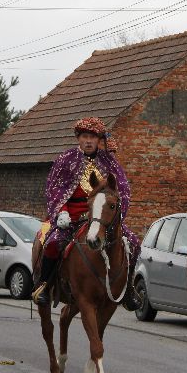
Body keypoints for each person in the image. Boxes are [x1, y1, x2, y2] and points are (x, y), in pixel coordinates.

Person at [33, 117, 142, 310]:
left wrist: (116, 218)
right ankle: (44, 285)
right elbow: (54, 189)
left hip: (101, 220)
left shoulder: (110, 162)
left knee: (134, 243)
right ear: (78, 138)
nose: (89, 141)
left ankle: (129, 290)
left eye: (93, 137)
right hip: (72, 218)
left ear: (99, 140)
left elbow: (122, 190)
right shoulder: (65, 159)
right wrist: (62, 212)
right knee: (52, 243)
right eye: (85, 136)